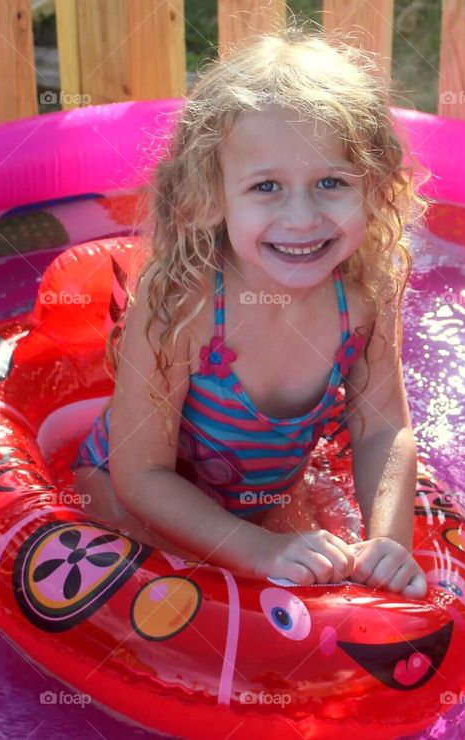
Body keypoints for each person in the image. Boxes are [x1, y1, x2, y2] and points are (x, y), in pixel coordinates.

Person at [72, 28, 428, 598]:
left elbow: (383, 428)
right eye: (266, 187)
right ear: (211, 197)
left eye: (331, 182)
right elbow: (140, 476)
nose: (302, 217)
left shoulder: (363, 295)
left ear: (375, 187)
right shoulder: (182, 308)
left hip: (263, 500)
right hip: (131, 502)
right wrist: (261, 550)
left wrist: (389, 540)